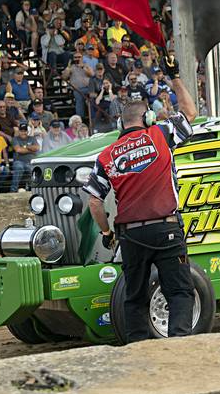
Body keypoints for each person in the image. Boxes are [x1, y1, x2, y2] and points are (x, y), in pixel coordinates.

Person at [83, 55, 197, 343]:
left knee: (133, 297)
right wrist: (175, 77)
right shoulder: (160, 135)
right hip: (166, 228)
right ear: (146, 118)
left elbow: (94, 202)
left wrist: (107, 233)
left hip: (130, 235)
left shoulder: (106, 155)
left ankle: (137, 349)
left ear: (122, 123)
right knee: (180, 291)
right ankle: (181, 346)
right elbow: (190, 112)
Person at [11, 122, 39, 192]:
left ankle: (34, 190)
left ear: (27, 131)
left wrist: (26, 147)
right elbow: (18, 150)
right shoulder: (15, 139)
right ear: (19, 131)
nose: (23, 132)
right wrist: (31, 150)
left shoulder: (32, 138)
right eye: (21, 131)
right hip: (19, 161)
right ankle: (13, 190)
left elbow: (37, 148)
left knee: (34, 169)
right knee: (19, 167)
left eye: (25, 131)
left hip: (31, 162)